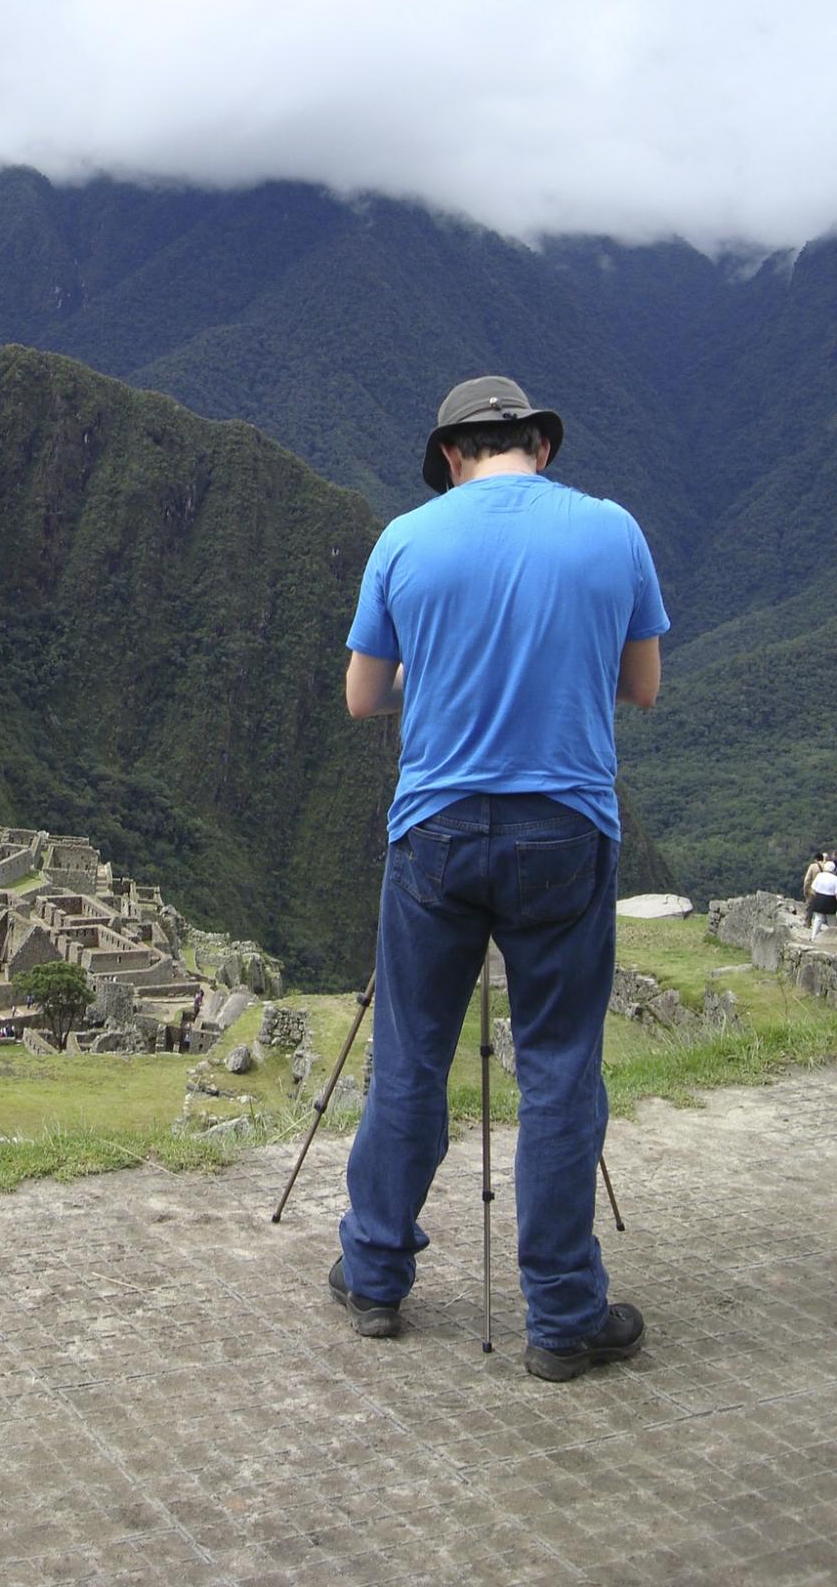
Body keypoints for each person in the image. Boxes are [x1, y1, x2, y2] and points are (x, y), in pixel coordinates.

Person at [332, 375, 668, 1383]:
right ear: (540, 446)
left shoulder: (406, 538)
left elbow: (361, 697)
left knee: (412, 1058)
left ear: (449, 457)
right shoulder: (613, 532)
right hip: (565, 828)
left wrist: (443, 662)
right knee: (560, 1064)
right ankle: (563, 1316)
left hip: (434, 831)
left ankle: (375, 1275)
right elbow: (643, 687)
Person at [809, 857, 837, 938]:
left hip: (819, 899)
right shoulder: (835, 879)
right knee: (831, 922)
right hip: (830, 901)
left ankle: (813, 937)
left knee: (818, 919)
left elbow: (813, 889)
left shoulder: (820, 876)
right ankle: (832, 938)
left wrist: (815, 898)